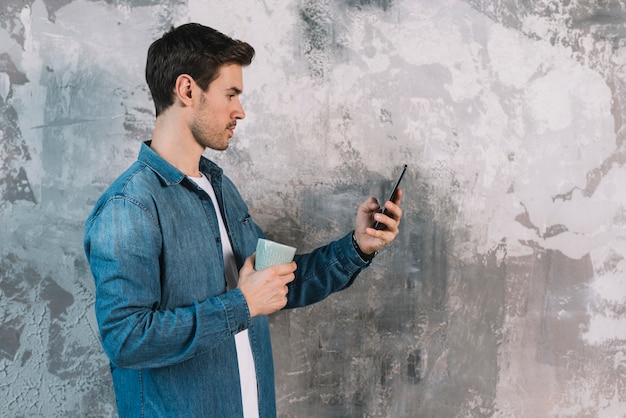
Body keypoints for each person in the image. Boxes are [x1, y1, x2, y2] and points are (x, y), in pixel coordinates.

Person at [83, 23, 403, 418]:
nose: (241, 110)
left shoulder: (221, 187)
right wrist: (242, 305)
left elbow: (277, 282)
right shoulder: (129, 207)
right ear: (186, 90)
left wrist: (356, 247)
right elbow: (127, 339)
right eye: (230, 94)